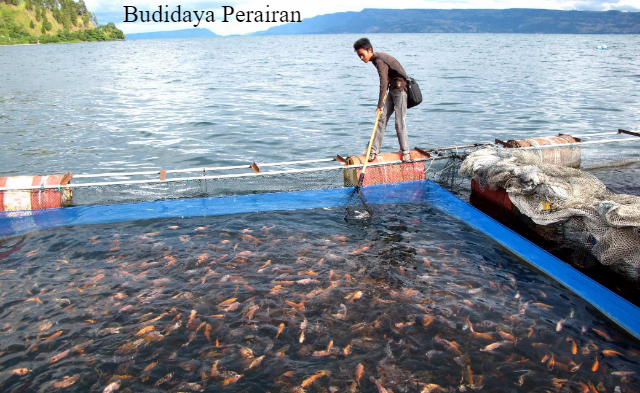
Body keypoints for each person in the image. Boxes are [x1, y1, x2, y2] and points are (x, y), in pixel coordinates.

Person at [354, 37, 411, 162]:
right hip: (393, 89)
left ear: (370, 50)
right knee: (382, 118)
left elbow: (383, 82)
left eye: (362, 55)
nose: (361, 58)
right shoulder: (376, 59)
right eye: (359, 56)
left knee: (399, 122)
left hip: (400, 89)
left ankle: (406, 152)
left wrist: (379, 105)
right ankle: (373, 150)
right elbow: (387, 80)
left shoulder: (378, 60)